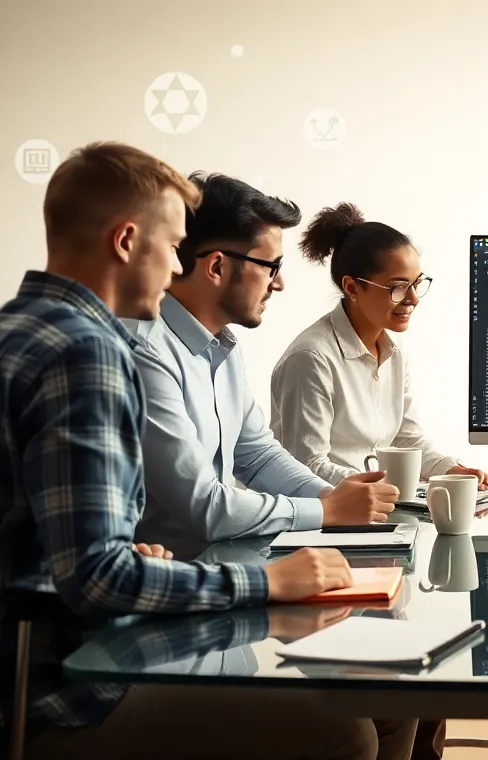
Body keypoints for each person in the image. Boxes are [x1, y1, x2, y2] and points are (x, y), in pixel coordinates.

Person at [0, 141, 415, 760]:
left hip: (74, 648)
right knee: (343, 733)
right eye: (171, 246)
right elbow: (98, 580)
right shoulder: (89, 353)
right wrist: (268, 579)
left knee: (381, 693)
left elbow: (63, 549)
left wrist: (329, 506)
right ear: (126, 242)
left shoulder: (26, 329)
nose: (176, 267)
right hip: (59, 694)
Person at [123, 173, 398, 560]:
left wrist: (331, 496)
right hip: (162, 584)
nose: (279, 283)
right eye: (271, 266)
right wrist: (327, 510)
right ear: (216, 267)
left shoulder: (222, 349)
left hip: (216, 565)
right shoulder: (144, 352)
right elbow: (204, 508)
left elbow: (259, 454)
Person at [270, 203, 488, 490]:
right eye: (398, 287)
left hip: (373, 509)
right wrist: (385, 486)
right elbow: (306, 466)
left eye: (417, 283)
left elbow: (405, 438)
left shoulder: (394, 352)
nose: (413, 298)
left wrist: (452, 469)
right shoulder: (311, 358)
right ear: (352, 288)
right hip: (322, 517)